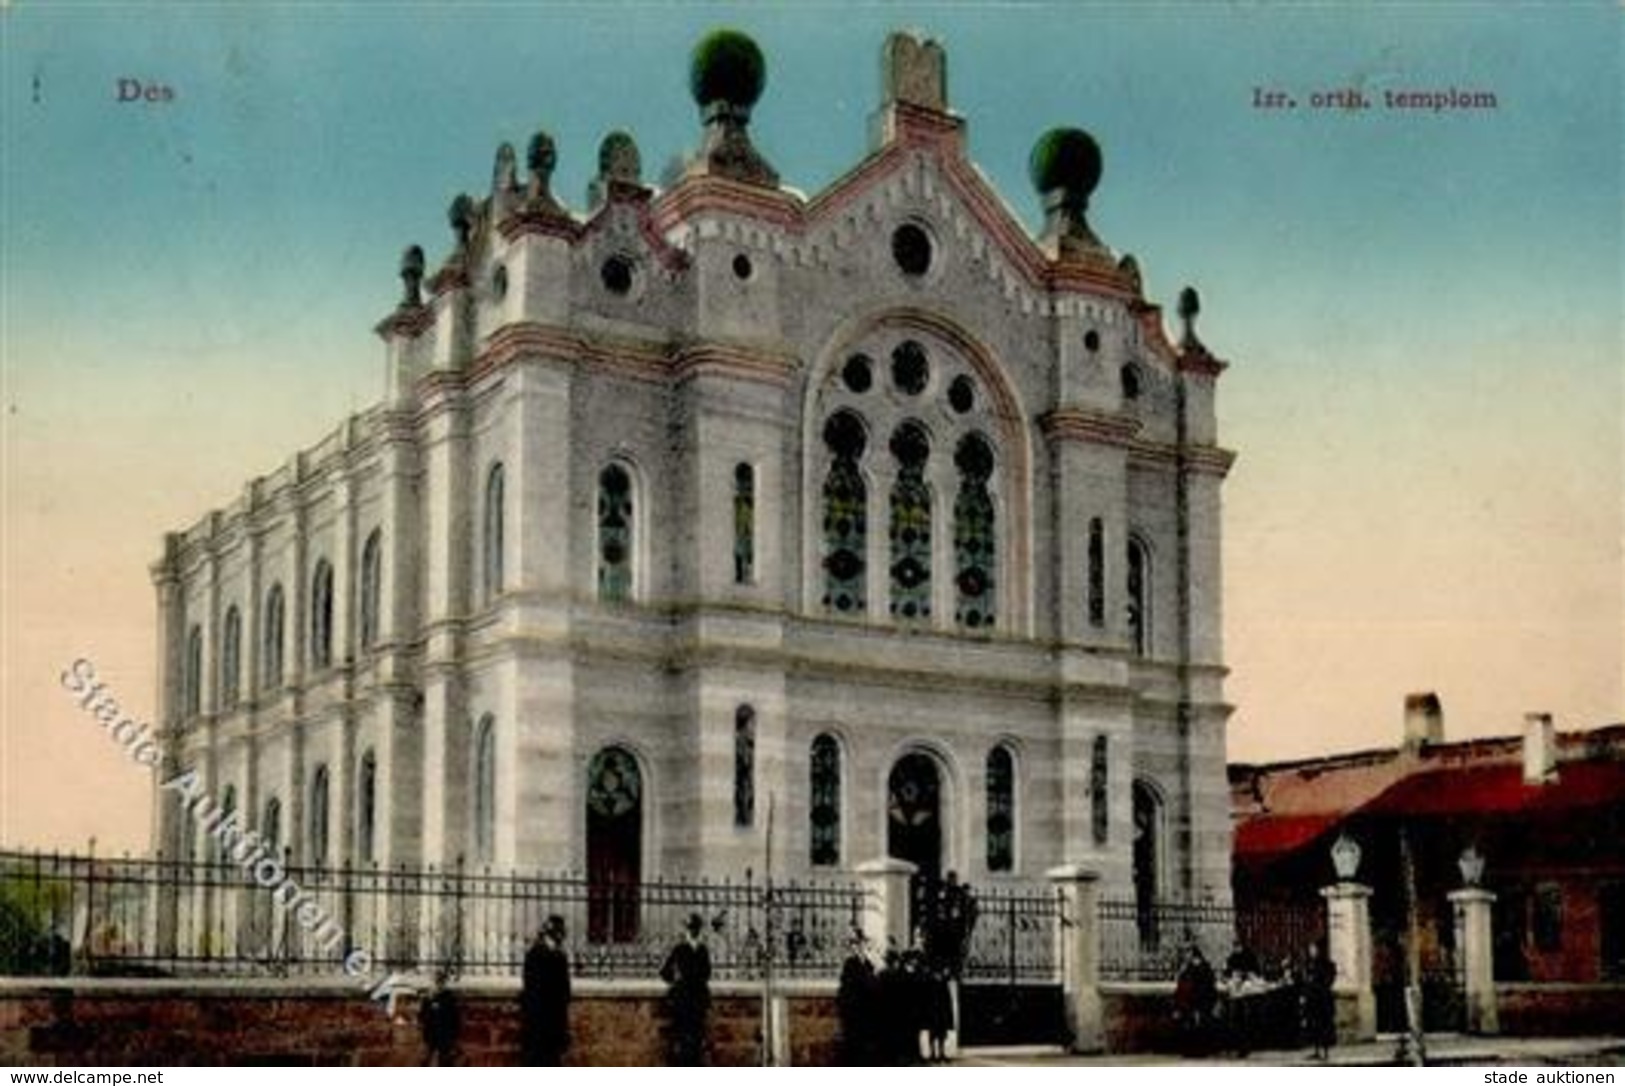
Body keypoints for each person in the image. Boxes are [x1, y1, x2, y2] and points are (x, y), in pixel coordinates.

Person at [660, 912, 713, 1066]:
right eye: (691, 928)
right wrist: (676, 983)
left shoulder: (703, 950)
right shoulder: (679, 949)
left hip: (697, 999)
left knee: (697, 1037)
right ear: (686, 930)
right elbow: (664, 971)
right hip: (683, 1000)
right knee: (682, 1037)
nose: (693, 931)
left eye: (695, 928)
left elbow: (708, 972)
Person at [520, 914, 572, 1066]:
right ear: (557, 934)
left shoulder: (536, 954)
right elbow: (564, 993)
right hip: (546, 1021)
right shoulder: (550, 956)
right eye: (561, 933)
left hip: (542, 1020)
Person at [835, 928, 877, 1065]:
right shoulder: (850, 963)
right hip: (853, 1009)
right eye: (858, 945)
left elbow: (872, 984)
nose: (861, 948)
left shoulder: (869, 964)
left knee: (864, 1042)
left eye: (863, 945)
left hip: (866, 1009)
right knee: (853, 1042)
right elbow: (847, 986)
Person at [1173, 945, 1218, 1055]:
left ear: (1193, 955)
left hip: (1198, 1001)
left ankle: (1195, 1049)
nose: (1185, 956)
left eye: (1187, 953)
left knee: (1196, 1025)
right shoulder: (1194, 967)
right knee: (1195, 1025)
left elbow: (1206, 986)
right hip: (1195, 1001)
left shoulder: (1198, 967)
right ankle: (1197, 1049)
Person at [418, 965, 461, 1066]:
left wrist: (453, 1036)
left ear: (444, 982)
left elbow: (454, 1018)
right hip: (431, 1034)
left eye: (440, 981)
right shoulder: (428, 997)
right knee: (426, 1060)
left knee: (445, 1061)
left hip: (444, 1035)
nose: (438, 984)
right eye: (436, 981)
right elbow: (422, 1015)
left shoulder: (449, 997)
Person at [1303, 941, 1337, 1061]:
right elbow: (1307, 980)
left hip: (1323, 999)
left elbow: (1329, 979)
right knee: (1314, 1025)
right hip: (1313, 999)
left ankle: (1325, 1052)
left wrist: (1318, 984)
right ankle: (1316, 1051)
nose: (1311, 951)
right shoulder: (1309, 964)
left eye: (1313, 949)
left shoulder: (1326, 963)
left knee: (1324, 1025)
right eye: (1310, 949)